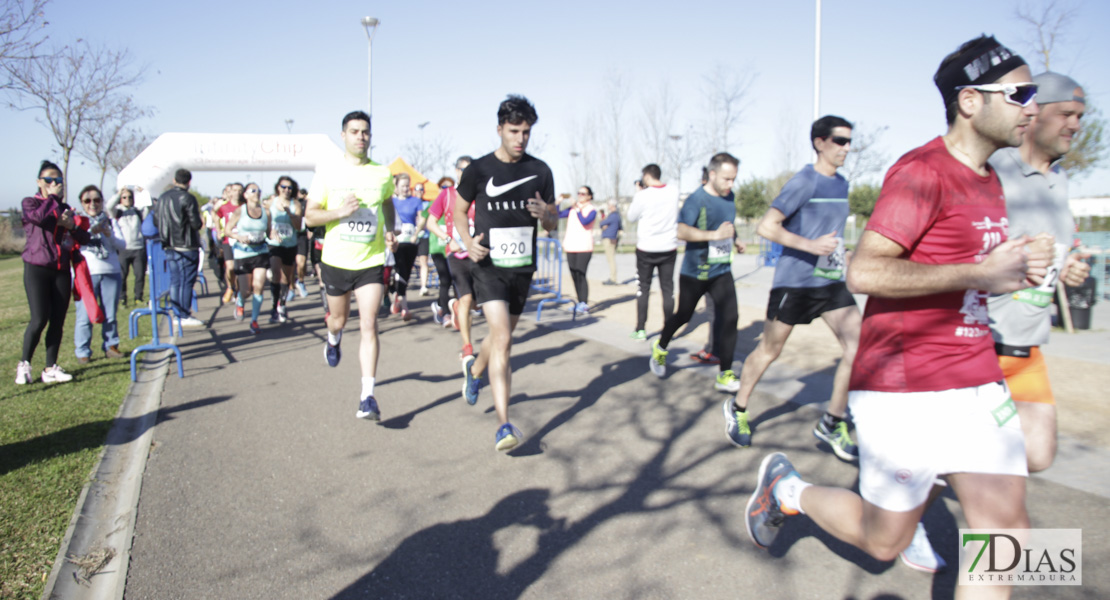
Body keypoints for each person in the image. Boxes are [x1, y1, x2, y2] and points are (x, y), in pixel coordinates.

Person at [744, 38, 1049, 600]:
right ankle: (789, 490)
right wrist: (980, 273)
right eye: (1020, 92)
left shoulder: (992, 180)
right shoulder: (921, 171)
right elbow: (865, 273)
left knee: (1012, 540)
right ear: (970, 102)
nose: (1033, 105)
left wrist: (1017, 269)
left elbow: (968, 272)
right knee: (883, 541)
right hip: (904, 388)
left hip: (976, 380)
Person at [899, 71, 1095, 573]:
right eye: (1066, 114)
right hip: (977, 349)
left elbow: (1055, 251)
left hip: (1027, 347)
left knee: (1039, 453)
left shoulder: (1060, 179)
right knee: (1007, 526)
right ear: (1033, 113)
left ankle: (910, 484)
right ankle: (907, 510)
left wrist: (1068, 267)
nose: (1075, 125)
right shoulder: (994, 171)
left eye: (1081, 116)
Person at [724, 116, 861, 462]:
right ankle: (738, 406)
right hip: (795, 282)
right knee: (770, 350)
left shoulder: (842, 184)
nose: (847, 147)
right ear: (819, 142)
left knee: (860, 346)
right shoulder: (803, 182)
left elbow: (830, 233)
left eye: (849, 141)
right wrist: (808, 245)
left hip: (830, 282)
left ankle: (833, 420)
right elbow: (766, 227)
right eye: (840, 141)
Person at [455, 95, 557, 452]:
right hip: (487, 266)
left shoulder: (541, 170)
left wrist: (546, 212)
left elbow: (552, 222)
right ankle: (503, 424)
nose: (520, 138)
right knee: (504, 341)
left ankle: (475, 370)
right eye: (514, 131)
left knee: (500, 338)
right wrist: (467, 242)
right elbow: (458, 211)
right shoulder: (478, 170)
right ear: (499, 129)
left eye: (526, 132)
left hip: (521, 268)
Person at [304, 110, 397, 421]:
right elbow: (310, 216)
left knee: (369, 323)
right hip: (336, 261)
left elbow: (386, 202)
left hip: (371, 260)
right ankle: (332, 337)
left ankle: (367, 396)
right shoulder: (328, 172)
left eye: (365, 131)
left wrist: (390, 230)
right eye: (355, 131)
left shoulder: (382, 174)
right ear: (343, 135)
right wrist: (340, 213)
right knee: (339, 320)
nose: (361, 136)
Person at [648, 153, 746, 393]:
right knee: (683, 315)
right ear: (712, 175)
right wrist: (714, 236)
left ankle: (725, 373)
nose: (730, 185)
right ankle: (660, 348)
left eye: (733, 179)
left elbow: (726, 226)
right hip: (695, 271)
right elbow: (681, 231)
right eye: (726, 179)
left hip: (721, 270)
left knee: (730, 318)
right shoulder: (696, 199)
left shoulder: (730, 197)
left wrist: (736, 239)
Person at [16, 160, 88, 384]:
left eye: (58, 180)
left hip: (61, 269)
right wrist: (53, 199)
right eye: (48, 180)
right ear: (39, 182)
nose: (54, 184)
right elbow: (38, 218)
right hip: (37, 268)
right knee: (39, 319)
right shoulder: (30, 203)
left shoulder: (65, 209)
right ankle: (24, 364)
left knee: (57, 320)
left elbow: (82, 238)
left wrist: (72, 227)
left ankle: (50, 367)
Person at [429, 156, 478, 358]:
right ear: (456, 171)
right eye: (462, 169)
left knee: (475, 303)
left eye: (470, 170)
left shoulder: (480, 194)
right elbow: (431, 222)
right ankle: (467, 347)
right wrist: (448, 238)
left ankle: (456, 306)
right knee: (467, 299)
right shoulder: (447, 195)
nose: (465, 173)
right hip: (456, 254)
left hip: (476, 254)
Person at [73, 185, 127, 363]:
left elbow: (122, 245)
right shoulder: (77, 221)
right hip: (87, 273)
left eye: (96, 200)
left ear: (102, 202)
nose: (92, 204)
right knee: (85, 314)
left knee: (110, 313)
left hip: (111, 272)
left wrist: (108, 234)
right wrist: (90, 232)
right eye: (87, 201)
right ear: (82, 203)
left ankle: (111, 345)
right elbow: (74, 243)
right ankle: (83, 351)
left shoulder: (110, 220)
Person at [626, 164, 678, 341]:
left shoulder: (642, 195)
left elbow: (631, 217)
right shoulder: (673, 191)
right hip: (668, 247)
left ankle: (641, 329)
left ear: (646, 177)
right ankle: (668, 329)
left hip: (647, 248)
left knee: (643, 289)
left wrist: (638, 192)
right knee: (667, 289)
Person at [153, 168, 205, 328]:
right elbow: (196, 223)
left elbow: (156, 220)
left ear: (175, 180)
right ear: (189, 182)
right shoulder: (188, 198)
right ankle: (183, 314)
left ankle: (177, 313)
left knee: (176, 280)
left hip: (169, 244)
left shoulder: (162, 198)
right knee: (187, 281)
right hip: (186, 244)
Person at [227, 183, 271, 334]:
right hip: (243, 253)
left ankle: (254, 321)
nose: (256, 193)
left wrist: (275, 235)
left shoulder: (266, 212)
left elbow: (269, 232)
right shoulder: (240, 211)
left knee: (258, 286)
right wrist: (238, 236)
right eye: (253, 191)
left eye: (259, 191)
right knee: (246, 291)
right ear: (245, 195)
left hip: (261, 252)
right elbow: (227, 230)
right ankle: (240, 302)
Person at [420, 176, 456, 328]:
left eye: (449, 187)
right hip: (437, 249)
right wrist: (416, 234)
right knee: (445, 280)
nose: (446, 190)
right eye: (443, 187)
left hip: (452, 249)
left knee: (454, 280)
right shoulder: (432, 204)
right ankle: (446, 313)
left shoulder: (455, 204)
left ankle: (440, 306)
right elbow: (424, 221)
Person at [267, 176, 301, 323]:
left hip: (290, 243)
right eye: (283, 187)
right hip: (274, 243)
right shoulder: (271, 202)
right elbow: (266, 222)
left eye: (289, 188)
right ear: (278, 188)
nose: (286, 190)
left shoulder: (296, 204)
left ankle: (282, 304)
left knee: (286, 277)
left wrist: (290, 214)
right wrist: (270, 231)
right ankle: (274, 307)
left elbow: (299, 226)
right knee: (275, 271)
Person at [559, 185, 598, 313]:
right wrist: (558, 202)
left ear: (589, 196)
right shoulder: (572, 209)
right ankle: (579, 301)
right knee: (574, 274)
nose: (580, 195)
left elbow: (585, 221)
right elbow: (558, 214)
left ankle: (584, 303)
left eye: (583, 193)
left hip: (584, 247)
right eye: (579, 193)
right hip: (571, 246)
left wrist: (576, 208)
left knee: (581, 274)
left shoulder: (591, 210)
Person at [389, 173, 422, 321]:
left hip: (411, 241)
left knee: (406, 274)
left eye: (407, 186)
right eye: (402, 186)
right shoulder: (391, 202)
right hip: (396, 242)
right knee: (401, 270)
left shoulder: (415, 201)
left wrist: (417, 232)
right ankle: (405, 307)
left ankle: (397, 296)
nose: (405, 189)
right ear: (396, 187)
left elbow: (421, 218)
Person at [114, 187, 148, 306]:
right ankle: (122, 298)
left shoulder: (138, 212)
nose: (127, 199)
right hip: (123, 250)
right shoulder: (117, 212)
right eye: (124, 197)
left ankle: (138, 297)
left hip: (138, 248)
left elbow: (148, 206)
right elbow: (108, 206)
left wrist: (142, 192)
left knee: (140, 275)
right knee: (122, 276)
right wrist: (119, 194)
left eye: (129, 197)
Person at [216, 183, 244, 303]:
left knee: (239, 268)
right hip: (228, 240)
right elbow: (216, 215)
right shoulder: (224, 207)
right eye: (234, 190)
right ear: (230, 192)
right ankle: (230, 287)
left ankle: (238, 291)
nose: (237, 192)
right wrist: (218, 230)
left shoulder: (245, 206)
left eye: (239, 190)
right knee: (230, 267)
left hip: (242, 240)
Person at [414, 181, 433, 296]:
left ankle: (423, 286)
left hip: (424, 236)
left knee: (423, 262)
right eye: (417, 189)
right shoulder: (410, 202)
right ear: (414, 191)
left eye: (421, 189)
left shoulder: (427, 204)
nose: (419, 191)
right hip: (409, 237)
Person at [599, 199, 622, 285]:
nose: (608, 207)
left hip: (609, 239)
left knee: (611, 259)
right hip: (612, 238)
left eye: (609, 205)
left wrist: (604, 224)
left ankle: (613, 279)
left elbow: (602, 223)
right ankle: (613, 277)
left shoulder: (613, 216)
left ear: (612, 206)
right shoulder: (616, 216)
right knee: (611, 259)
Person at [293, 186, 310, 298]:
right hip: (290, 237)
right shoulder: (290, 204)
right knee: (290, 266)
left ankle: (301, 281)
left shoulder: (306, 203)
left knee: (301, 262)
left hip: (302, 235)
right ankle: (290, 287)